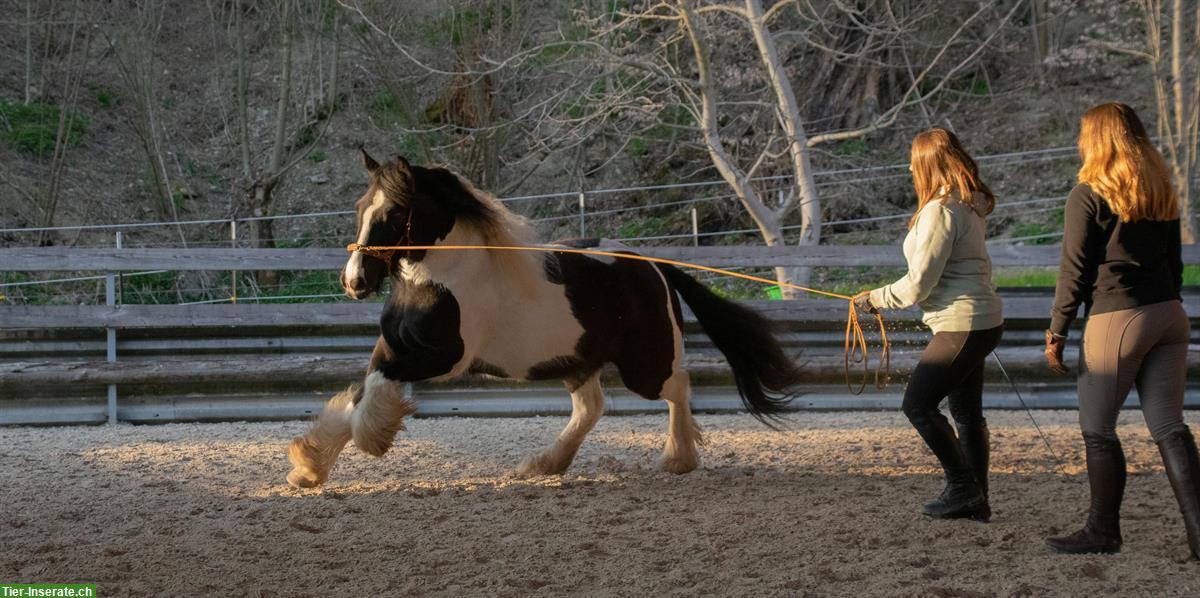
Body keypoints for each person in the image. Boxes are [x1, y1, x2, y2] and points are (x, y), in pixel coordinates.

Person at [1044, 102, 1199, 559]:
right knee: (1170, 426)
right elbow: (1176, 264)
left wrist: (1057, 331)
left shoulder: (1087, 194)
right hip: (1169, 316)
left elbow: (1073, 271)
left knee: (1098, 430)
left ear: (1097, 140)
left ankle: (1103, 531)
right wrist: (1164, 302)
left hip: (1118, 318)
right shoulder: (1160, 189)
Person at [854, 128, 1004, 521]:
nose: (908, 166)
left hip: (962, 322)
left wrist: (875, 299)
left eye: (912, 159)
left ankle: (963, 488)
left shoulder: (940, 210)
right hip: (980, 320)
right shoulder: (967, 205)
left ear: (926, 164)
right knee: (967, 413)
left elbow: (920, 282)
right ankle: (977, 499)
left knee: (918, 405)